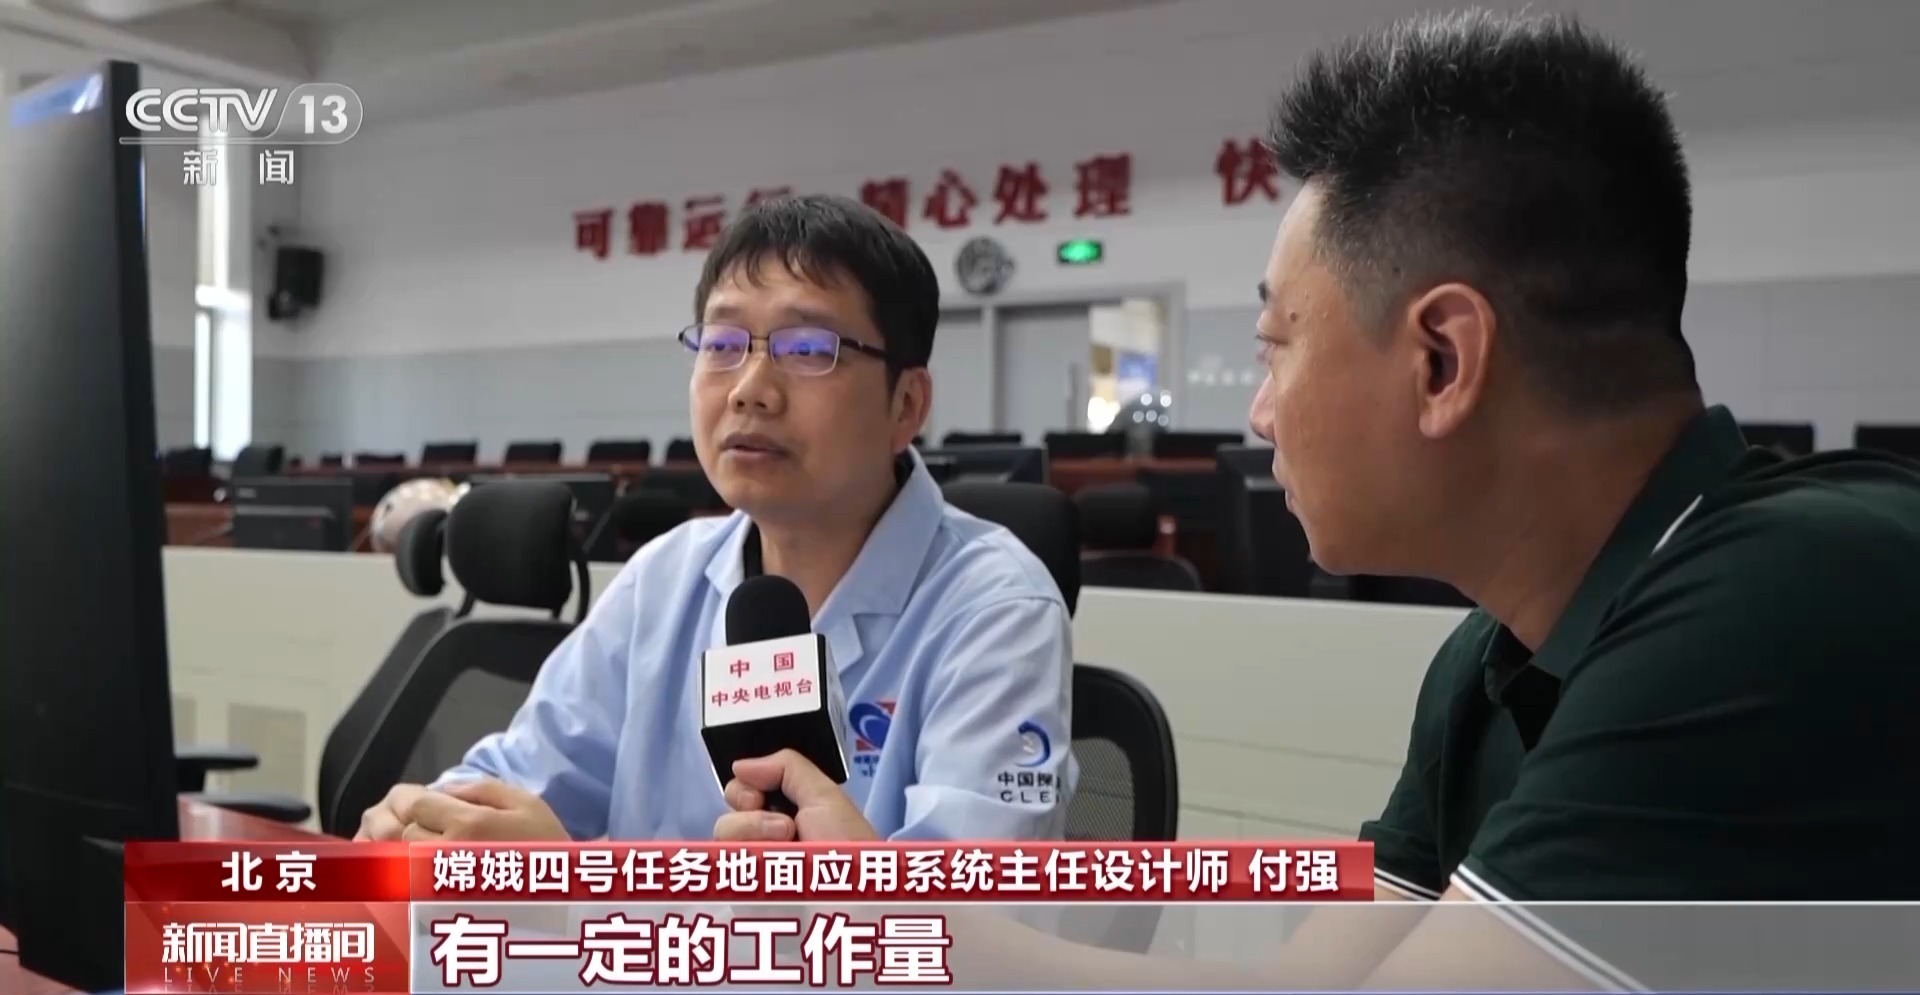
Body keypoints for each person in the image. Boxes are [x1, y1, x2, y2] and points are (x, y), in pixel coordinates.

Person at [711, 10, 1920, 989]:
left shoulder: (1779, 598)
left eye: (1278, 344)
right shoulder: (1491, 661)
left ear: (1442, 360)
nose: (1259, 410)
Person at [357, 194, 1076, 844]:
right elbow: (520, 775)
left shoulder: (996, 610)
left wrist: (577, 893)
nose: (750, 391)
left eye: (808, 350)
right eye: (723, 346)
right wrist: (434, 820)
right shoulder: (663, 579)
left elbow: (967, 919)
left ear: (906, 405)